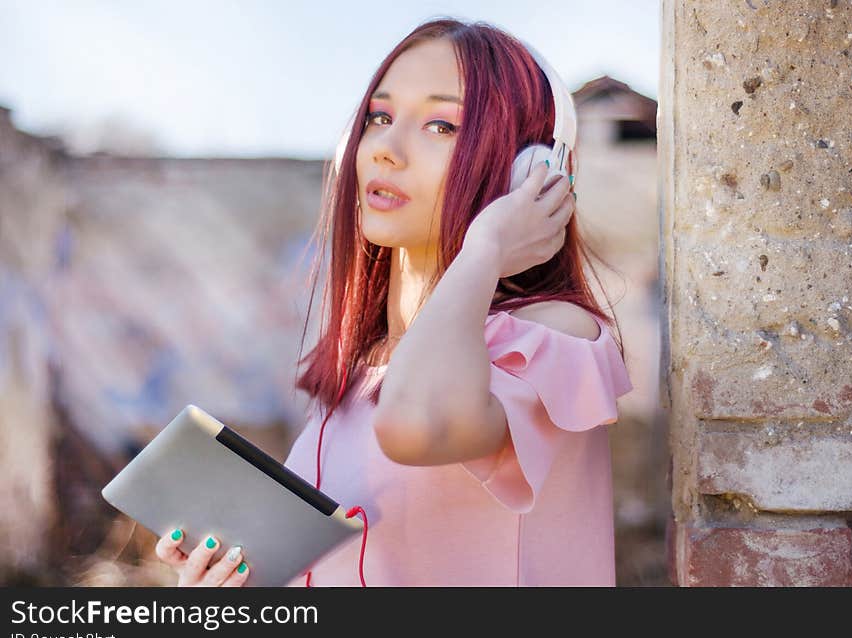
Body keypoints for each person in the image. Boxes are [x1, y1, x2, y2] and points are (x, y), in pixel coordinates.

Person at [155, 17, 632, 587]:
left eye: (440, 125)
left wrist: (486, 248)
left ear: (530, 170)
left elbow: (414, 425)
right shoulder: (358, 374)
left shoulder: (553, 338)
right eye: (380, 118)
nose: (385, 149)